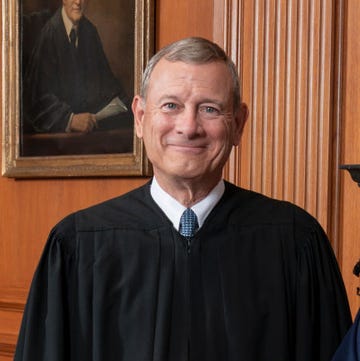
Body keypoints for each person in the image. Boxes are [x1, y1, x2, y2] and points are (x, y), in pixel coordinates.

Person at [14, 37, 352, 361]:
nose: (189, 127)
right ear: (141, 118)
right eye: (171, 106)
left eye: (209, 108)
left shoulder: (295, 241)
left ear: (238, 124)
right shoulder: (77, 246)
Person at [23, 0, 130, 134]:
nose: (78, 2)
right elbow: (37, 97)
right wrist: (70, 119)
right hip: (56, 140)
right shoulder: (50, 34)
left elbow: (106, 83)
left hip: (90, 133)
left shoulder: (90, 32)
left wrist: (121, 101)